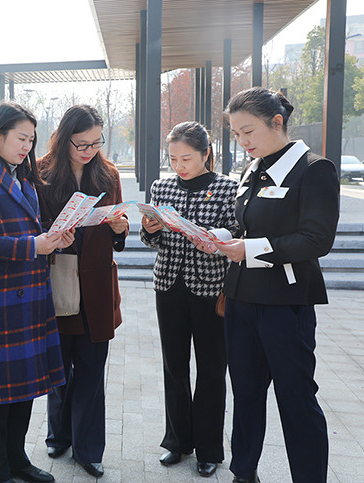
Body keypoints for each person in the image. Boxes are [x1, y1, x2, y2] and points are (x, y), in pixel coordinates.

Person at [213, 87, 338, 483]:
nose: (242, 141)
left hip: (286, 303)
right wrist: (221, 238)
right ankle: (243, 472)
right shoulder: (252, 169)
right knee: (246, 394)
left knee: (295, 399)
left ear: (277, 122)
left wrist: (249, 249)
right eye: (236, 134)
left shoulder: (314, 169)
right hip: (241, 298)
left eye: (248, 131)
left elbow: (316, 240)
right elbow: (250, 226)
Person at [0, 102, 74, 483]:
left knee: (23, 391)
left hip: (30, 298)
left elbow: (30, 232)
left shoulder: (23, 178)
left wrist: (53, 240)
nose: (27, 147)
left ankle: (16, 460)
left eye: (31, 140)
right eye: (21, 138)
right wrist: (33, 245)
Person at [139, 121, 239, 478]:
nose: (179, 166)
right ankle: (177, 441)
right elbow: (150, 240)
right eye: (173, 159)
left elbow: (238, 230)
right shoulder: (162, 186)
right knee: (174, 365)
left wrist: (215, 237)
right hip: (169, 285)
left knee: (211, 369)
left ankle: (209, 449)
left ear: (205, 154)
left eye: (186, 158)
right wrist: (150, 229)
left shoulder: (227, 187)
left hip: (210, 287)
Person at [37, 105, 128, 478]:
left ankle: (88, 449)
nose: (89, 151)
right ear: (64, 140)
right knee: (58, 368)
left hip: (96, 287)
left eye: (96, 143)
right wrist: (54, 233)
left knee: (91, 371)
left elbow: (117, 229)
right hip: (58, 282)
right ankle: (59, 434)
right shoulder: (40, 173)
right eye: (81, 144)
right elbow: (33, 226)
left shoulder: (108, 174)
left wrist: (120, 228)